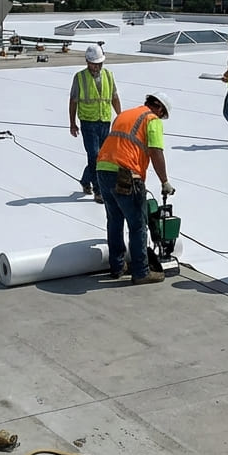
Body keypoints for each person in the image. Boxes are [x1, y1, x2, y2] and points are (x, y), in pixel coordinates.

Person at [95, 93, 175, 285]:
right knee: (138, 224)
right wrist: (164, 181)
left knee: (114, 220)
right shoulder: (152, 119)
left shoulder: (124, 115)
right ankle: (141, 271)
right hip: (126, 174)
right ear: (160, 110)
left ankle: (117, 266)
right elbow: (156, 151)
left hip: (103, 169)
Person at [69, 44, 121, 203]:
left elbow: (114, 97)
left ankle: (86, 180)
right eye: (94, 63)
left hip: (105, 121)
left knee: (101, 157)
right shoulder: (80, 77)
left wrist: (120, 117)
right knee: (95, 155)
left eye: (100, 63)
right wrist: (72, 123)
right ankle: (99, 190)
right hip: (88, 123)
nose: (97, 66)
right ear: (87, 61)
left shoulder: (109, 75)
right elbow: (73, 101)